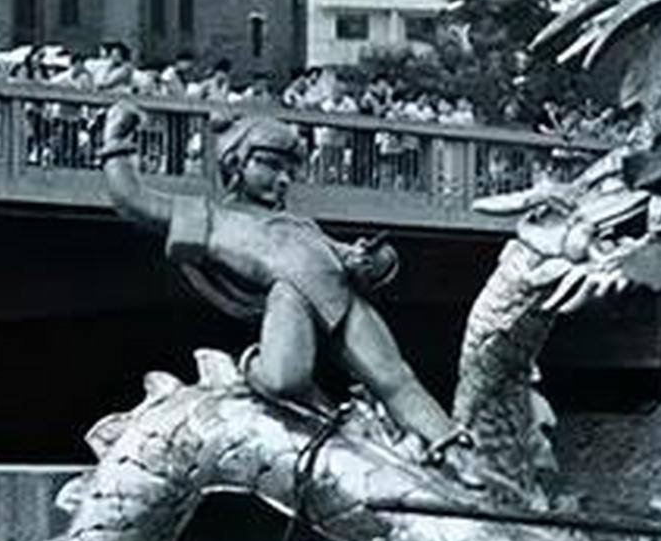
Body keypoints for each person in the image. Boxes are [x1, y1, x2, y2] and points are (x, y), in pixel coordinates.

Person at [98, 102, 487, 483]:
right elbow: (135, 201)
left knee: (396, 379)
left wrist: (373, 260)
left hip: (342, 297)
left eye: (288, 170)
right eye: (269, 165)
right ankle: (252, 366)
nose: (282, 178)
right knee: (285, 379)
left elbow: (351, 256)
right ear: (236, 164)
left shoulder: (303, 226)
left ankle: (452, 449)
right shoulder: (210, 218)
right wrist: (117, 143)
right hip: (290, 300)